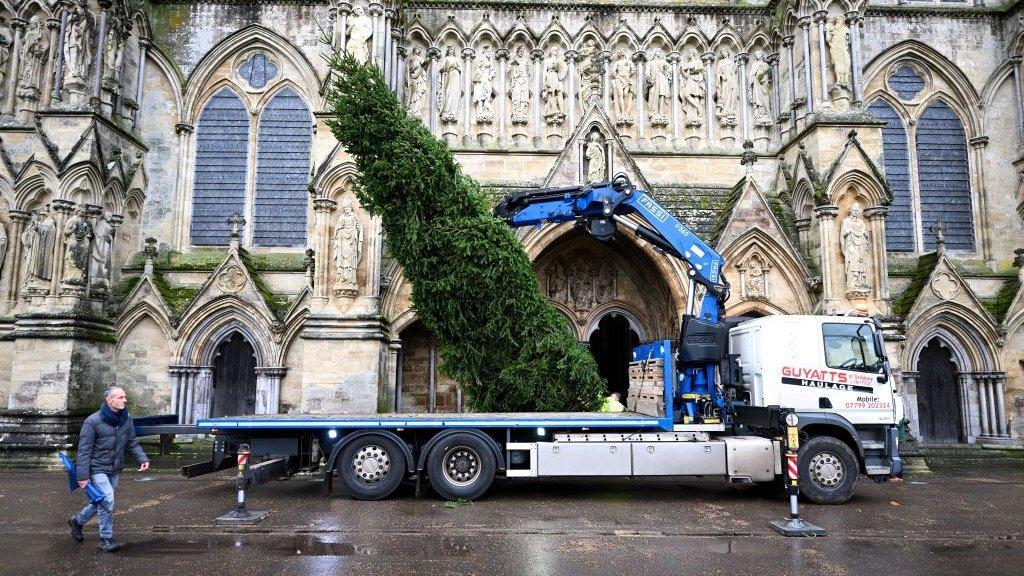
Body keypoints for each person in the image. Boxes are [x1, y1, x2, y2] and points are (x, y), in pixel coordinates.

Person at [68, 386, 150, 552]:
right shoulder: (92, 421)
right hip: (96, 468)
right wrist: (83, 476)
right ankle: (106, 539)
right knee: (107, 500)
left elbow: (132, 442)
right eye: (120, 397)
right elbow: (84, 450)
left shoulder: (126, 419)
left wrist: (142, 458)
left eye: (124, 397)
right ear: (109, 400)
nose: (125, 400)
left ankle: (77, 521)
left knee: (101, 500)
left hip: (114, 468)